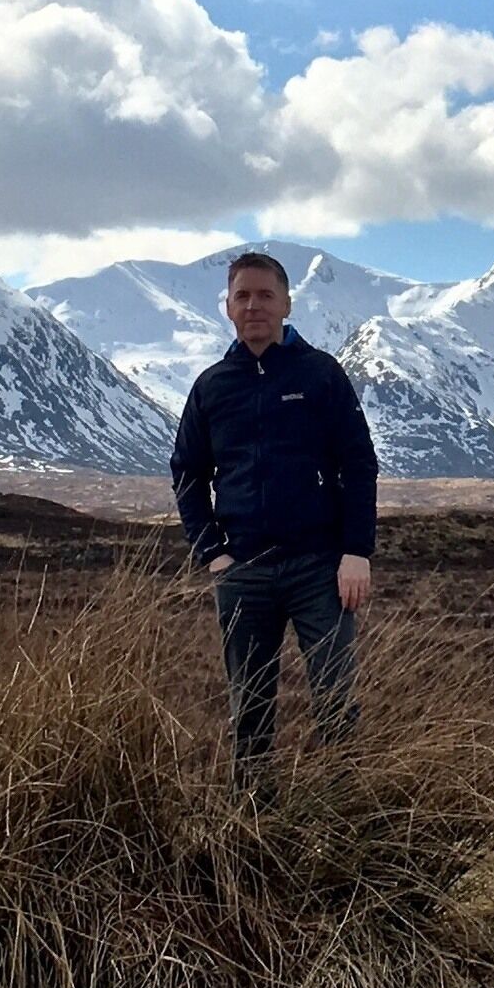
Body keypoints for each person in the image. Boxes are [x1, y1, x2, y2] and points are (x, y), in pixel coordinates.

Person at [168, 248, 377, 789]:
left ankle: (345, 819)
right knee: (250, 710)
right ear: (228, 309)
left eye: (265, 295)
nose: (254, 305)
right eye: (243, 296)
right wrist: (212, 552)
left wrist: (357, 552)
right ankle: (254, 831)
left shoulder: (320, 375)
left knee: (335, 701)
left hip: (320, 569)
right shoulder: (213, 387)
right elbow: (188, 472)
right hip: (243, 575)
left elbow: (358, 464)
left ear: (286, 303)